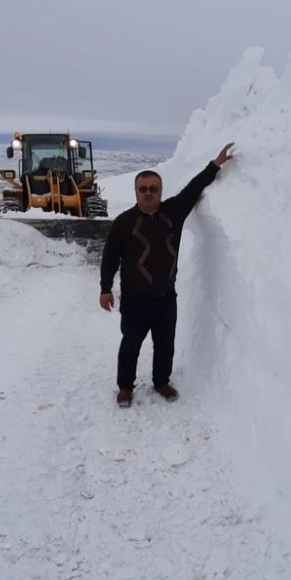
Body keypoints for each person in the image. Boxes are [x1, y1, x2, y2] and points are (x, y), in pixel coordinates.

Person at [99, 143, 235, 407]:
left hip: (166, 298)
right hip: (135, 299)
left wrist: (215, 165)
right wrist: (105, 289)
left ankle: (161, 381)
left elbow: (193, 189)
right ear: (136, 191)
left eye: (153, 189)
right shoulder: (124, 222)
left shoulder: (173, 211)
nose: (148, 193)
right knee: (130, 346)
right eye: (143, 189)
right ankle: (125, 387)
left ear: (160, 191)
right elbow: (109, 258)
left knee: (165, 344)